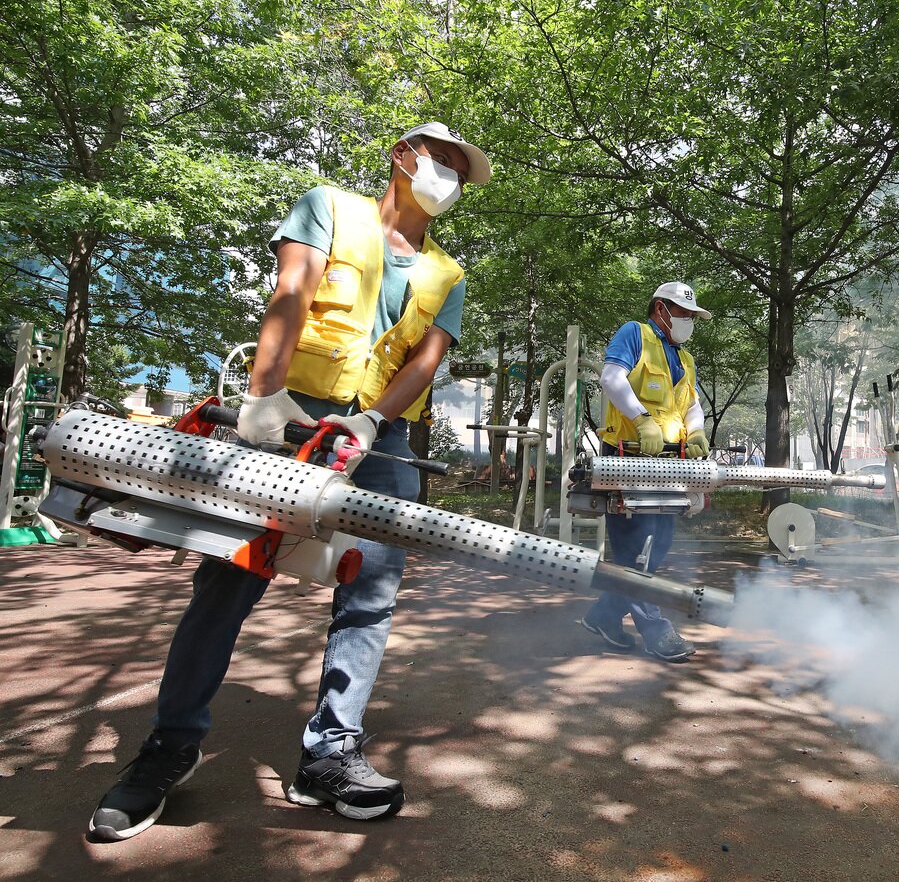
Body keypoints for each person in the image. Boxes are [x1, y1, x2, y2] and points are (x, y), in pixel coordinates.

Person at [88, 121, 488, 840]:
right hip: (289, 419)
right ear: (403, 157)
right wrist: (264, 397)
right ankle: (169, 746)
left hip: (381, 437)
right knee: (230, 575)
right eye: (443, 161)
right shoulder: (329, 207)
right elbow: (292, 291)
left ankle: (329, 755)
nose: (451, 178)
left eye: (461, 171)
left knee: (370, 589)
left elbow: (423, 363)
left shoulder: (447, 274)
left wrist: (372, 425)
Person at [579, 282, 712, 662]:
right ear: (661, 309)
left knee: (657, 548)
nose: (688, 321)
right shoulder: (634, 333)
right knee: (636, 550)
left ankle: (602, 616)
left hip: (669, 465)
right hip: (627, 459)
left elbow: (692, 404)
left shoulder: (684, 358)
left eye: (691, 316)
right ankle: (656, 631)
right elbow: (611, 378)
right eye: (684, 314)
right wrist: (641, 420)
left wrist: (698, 429)